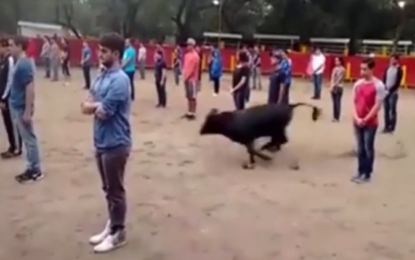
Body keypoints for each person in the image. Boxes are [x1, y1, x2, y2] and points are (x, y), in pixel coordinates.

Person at [81, 32, 131, 253]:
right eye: (99, 50)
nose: (99, 54)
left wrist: (93, 106)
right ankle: (112, 224)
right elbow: (87, 103)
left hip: (116, 143)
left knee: (115, 190)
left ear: (116, 53)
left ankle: (118, 232)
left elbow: (105, 111)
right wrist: (93, 105)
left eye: (104, 51)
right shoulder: (101, 75)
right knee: (107, 188)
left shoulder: (120, 80)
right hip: (101, 141)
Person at [8, 35, 43, 183]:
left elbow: (30, 88)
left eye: (11, 45)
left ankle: (35, 169)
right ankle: (31, 166)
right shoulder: (19, 63)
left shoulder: (23, 64)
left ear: (19, 46)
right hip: (17, 104)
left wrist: (28, 110)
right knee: (26, 138)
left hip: (21, 106)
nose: (9, 48)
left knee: (29, 139)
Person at [351, 58, 386, 184]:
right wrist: (356, 117)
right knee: (360, 148)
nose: (362, 71)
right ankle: (360, 171)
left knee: (368, 148)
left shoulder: (379, 85)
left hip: (370, 123)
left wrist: (365, 119)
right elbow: (353, 103)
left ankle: (367, 173)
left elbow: (377, 106)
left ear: (372, 69)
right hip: (358, 120)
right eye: (361, 69)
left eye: (365, 69)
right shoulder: (357, 84)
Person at [0, 38, 22, 159]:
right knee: (7, 123)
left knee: (12, 124)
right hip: (3, 98)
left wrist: (4, 98)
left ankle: (16, 148)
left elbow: (10, 81)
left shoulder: (9, 61)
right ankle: (12, 146)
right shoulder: (2, 61)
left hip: (8, 98)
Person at [382, 54, 402, 134]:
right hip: (386, 91)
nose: (392, 61)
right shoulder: (388, 68)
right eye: (391, 59)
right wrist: (384, 88)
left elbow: (397, 83)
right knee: (386, 110)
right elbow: (384, 79)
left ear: (397, 60)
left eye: (393, 59)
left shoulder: (399, 70)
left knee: (392, 110)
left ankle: (392, 127)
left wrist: (389, 90)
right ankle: (386, 126)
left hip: (393, 93)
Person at [182, 38, 200, 120]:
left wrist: (187, 77)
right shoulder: (186, 55)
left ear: (193, 46)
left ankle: (193, 112)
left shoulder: (195, 56)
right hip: (187, 78)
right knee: (188, 96)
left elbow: (192, 69)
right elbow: (185, 67)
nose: (188, 46)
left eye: (189, 45)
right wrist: (184, 75)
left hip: (192, 79)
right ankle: (189, 111)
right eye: (187, 44)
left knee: (193, 97)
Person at [330, 56, 345, 122]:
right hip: (334, 86)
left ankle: (337, 117)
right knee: (334, 103)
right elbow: (332, 77)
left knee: (337, 102)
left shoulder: (342, 69)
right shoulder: (334, 69)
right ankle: (334, 116)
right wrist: (331, 85)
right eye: (335, 61)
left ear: (340, 61)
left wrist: (333, 85)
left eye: (337, 61)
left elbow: (339, 79)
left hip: (339, 87)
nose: (336, 62)